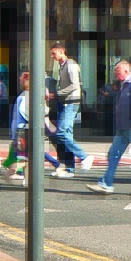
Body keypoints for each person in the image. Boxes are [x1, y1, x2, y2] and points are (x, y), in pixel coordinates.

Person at [93, 60, 131, 196]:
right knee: (113, 155)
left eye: (117, 71)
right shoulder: (123, 84)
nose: (115, 74)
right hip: (122, 128)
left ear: (126, 71)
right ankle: (106, 184)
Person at [45, 44, 91, 172]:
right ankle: (70, 168)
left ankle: (84, 156)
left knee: (61, 132)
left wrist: (57, 94)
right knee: (67, 134)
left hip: (71, 102)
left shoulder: (70, 64)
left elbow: (75, 85)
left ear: (62, 51)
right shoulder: (62, 66)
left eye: (54, 53)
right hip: (66, 102)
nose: (52, 56)